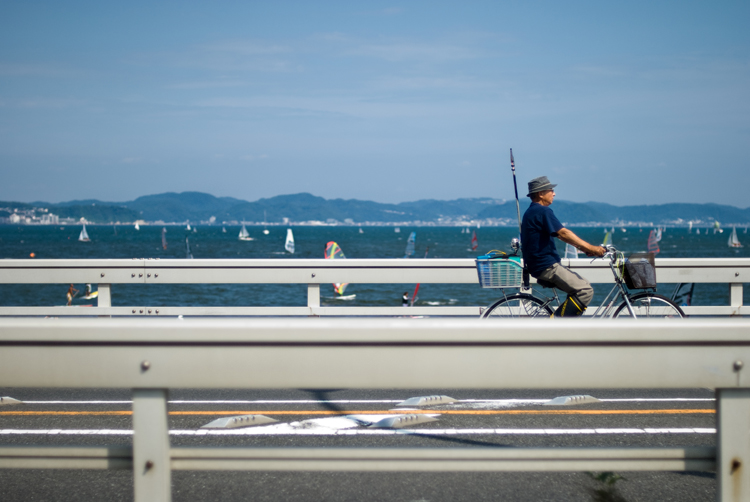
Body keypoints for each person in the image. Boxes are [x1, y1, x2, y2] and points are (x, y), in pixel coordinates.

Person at [521, 176, 605, 317]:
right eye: (551, 190)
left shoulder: (531, 211)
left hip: (538, 265)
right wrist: (591, 248)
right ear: (541, 193)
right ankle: (555, 329)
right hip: (547, 266)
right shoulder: (543, 211)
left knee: (581, 285)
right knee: (585, 290)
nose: (554, 193)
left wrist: (586, 249)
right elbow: (563, 233)